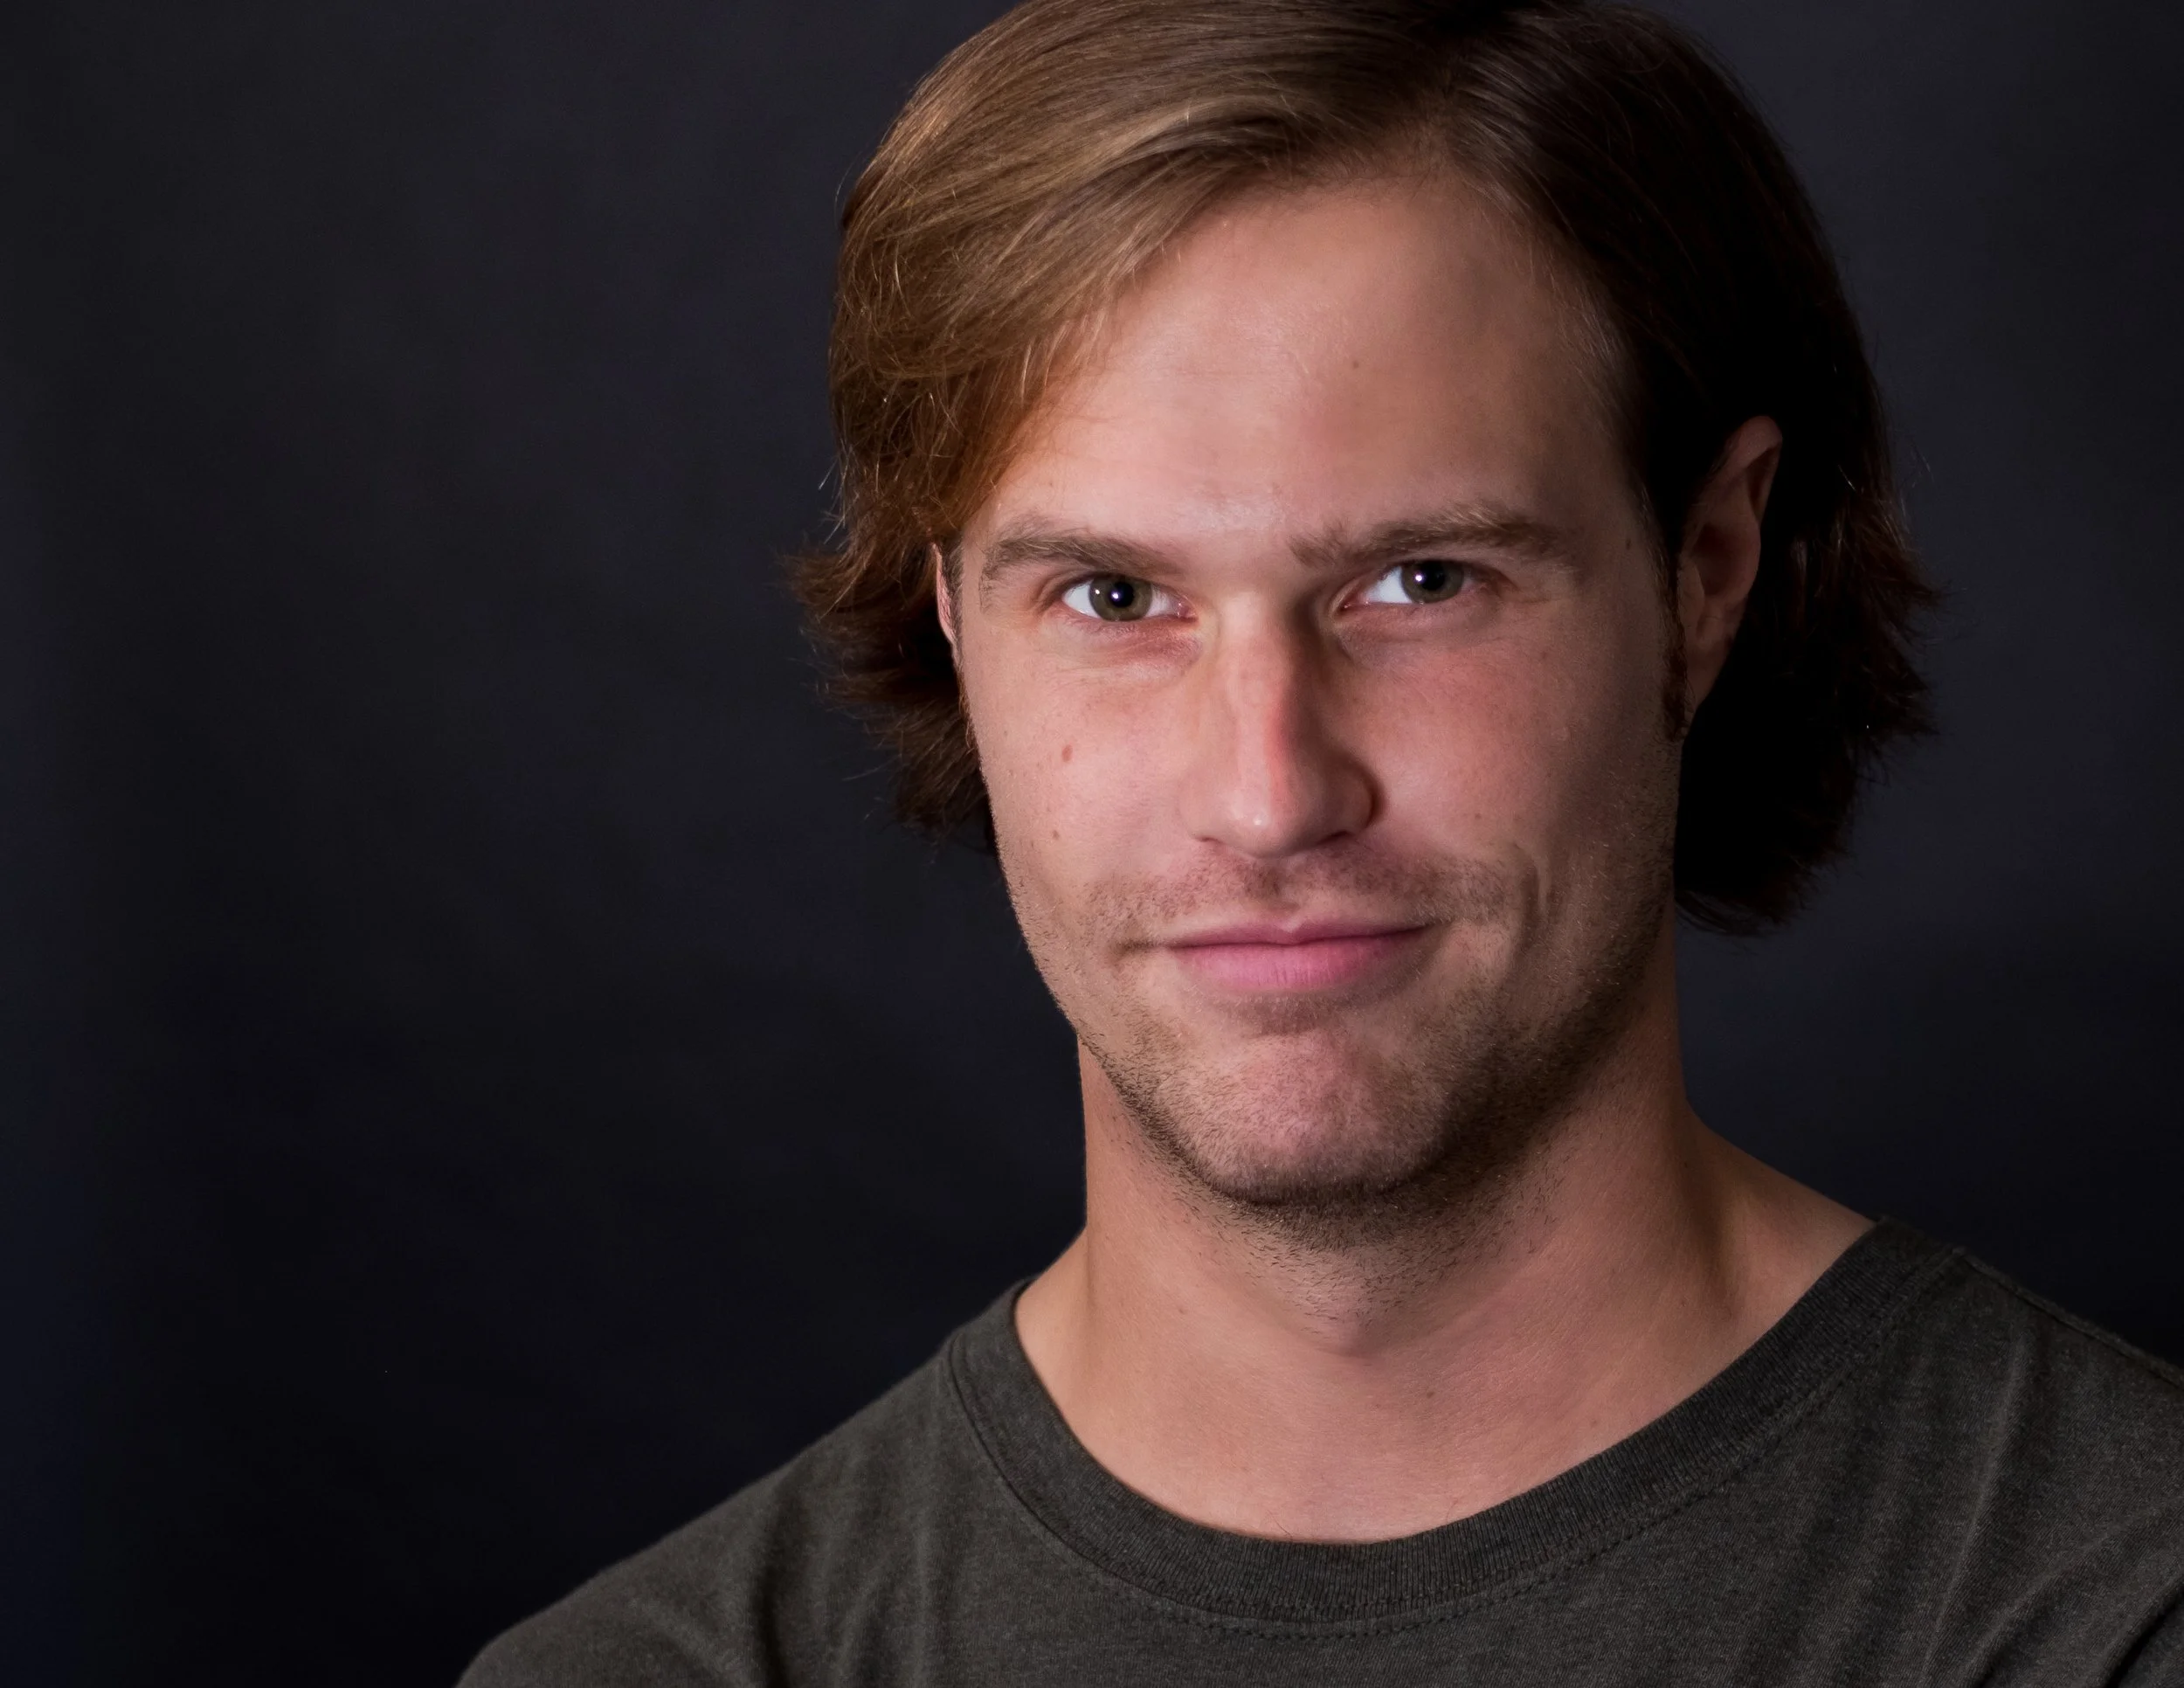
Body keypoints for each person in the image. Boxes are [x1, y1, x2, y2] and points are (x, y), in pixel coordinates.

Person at [464, 1, 2184, 1681]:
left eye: (1420, 582)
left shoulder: (2111, 1602)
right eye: (1114, 596)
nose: (1269, 794)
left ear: (1704, 571)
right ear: (955, 631)